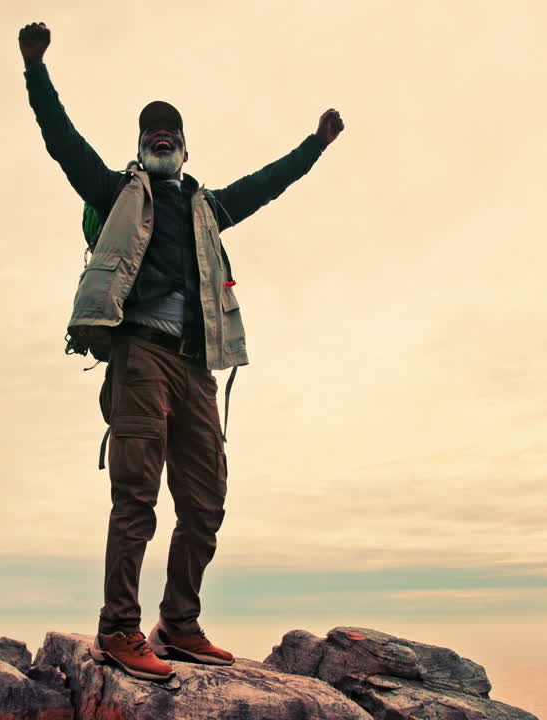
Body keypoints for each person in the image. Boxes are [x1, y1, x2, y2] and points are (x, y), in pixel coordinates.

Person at [18, 20, 344, 683]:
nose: (159, 136)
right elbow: (62, 142)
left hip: (196, 364)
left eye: (169, 131)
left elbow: (265, 183)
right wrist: (35, 68)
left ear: (185, 149)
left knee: (206, 500)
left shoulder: (206, 207)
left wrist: (315, 145)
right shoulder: (116, 193)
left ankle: (179, 624)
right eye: (150, 131)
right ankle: (119, 630)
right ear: (142, 147)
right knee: (136, 496)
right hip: (141, 354)